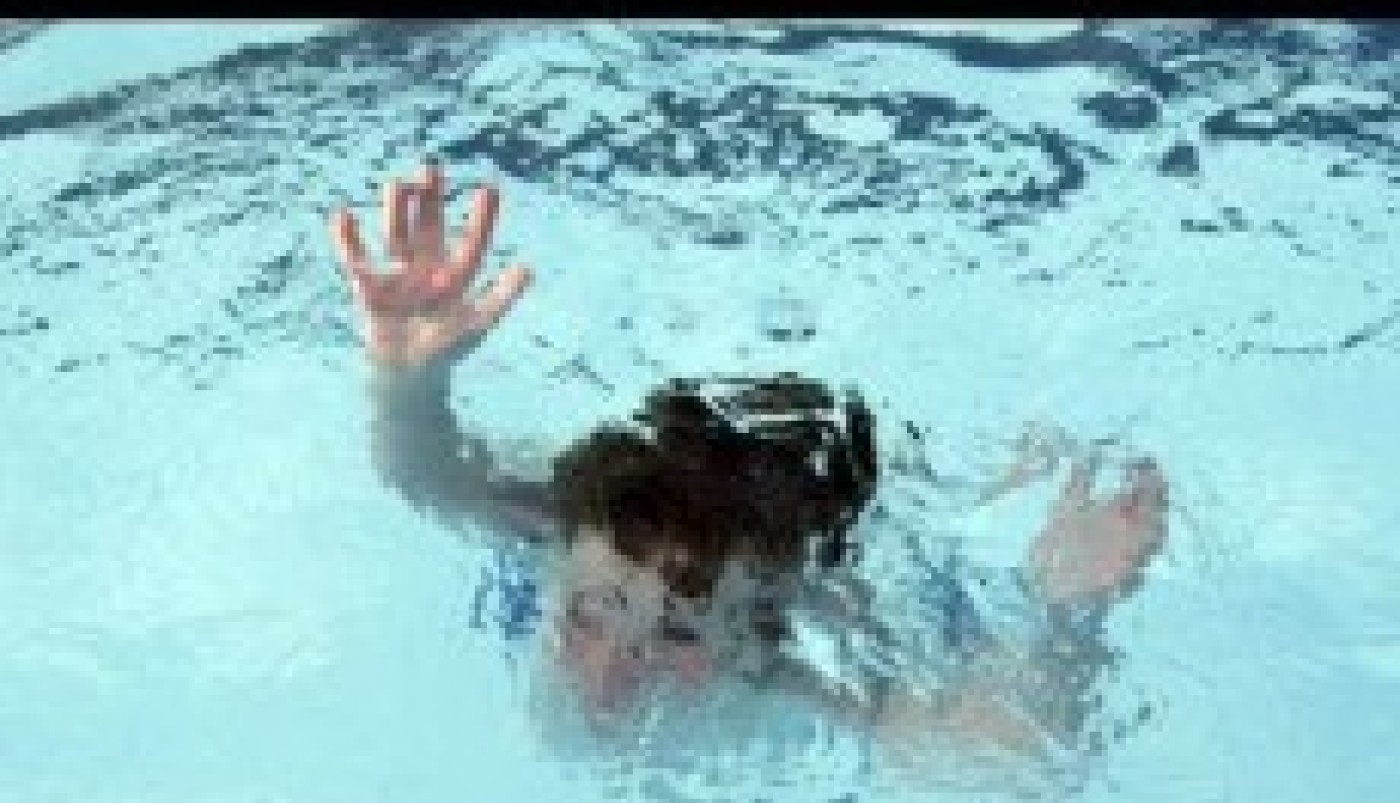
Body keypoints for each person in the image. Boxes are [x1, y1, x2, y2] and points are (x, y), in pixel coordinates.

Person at [329, 162, 1169, 761]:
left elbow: (997, 775)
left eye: (678, 635)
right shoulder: (568, 526)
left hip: (827, 503)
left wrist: (1067, 611)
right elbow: (424, 476)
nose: (610, 675)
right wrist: (407, 380)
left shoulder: (794, 635)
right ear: (564, 560)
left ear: (751, 636)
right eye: (588, 614)